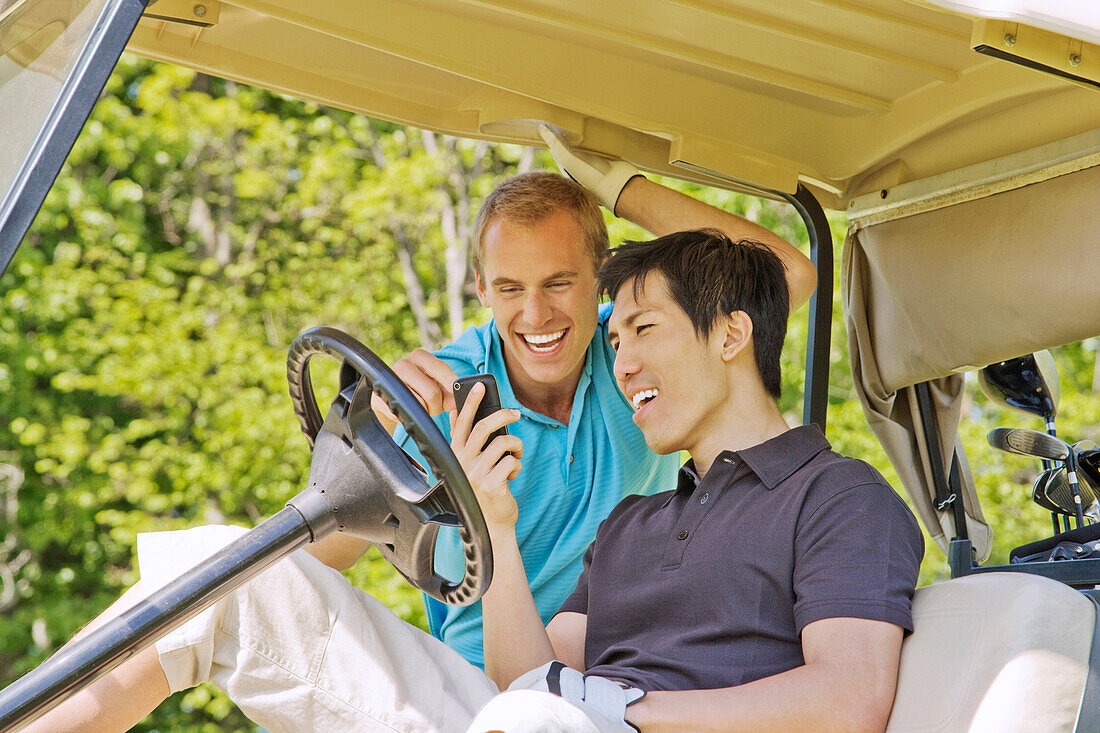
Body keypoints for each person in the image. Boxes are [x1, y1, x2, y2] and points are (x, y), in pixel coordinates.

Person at [23, 229, 918, 733]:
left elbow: (850, 699)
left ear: (730, 335)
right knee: (227, 573)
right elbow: (533, 675)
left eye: (643, 328)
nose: (625, 358)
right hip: (532, 724)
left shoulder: (839, 497)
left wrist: (627, 707)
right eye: (616, 342)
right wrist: (493, 518)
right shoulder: (639, 522)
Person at [304, 125, 818, 668]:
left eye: (557, 283)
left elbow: (784, 275)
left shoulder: (635, 359)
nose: (535, 315)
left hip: (621, 669)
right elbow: (317, 557)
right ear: (481, 287)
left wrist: (620, 189)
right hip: (474, 682)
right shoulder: (436, 393)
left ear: (600, 274)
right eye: (509, 289)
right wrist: (375, 438)